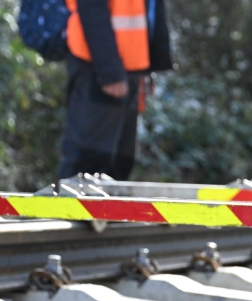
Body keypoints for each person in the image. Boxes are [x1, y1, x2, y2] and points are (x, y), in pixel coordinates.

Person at [58, 0, 172, 181]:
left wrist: (149, 68)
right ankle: (61, 210)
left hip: (127, 70)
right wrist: (110, 73)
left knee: (120, 164)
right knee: (86, 165)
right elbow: (92, 9)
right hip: (98, 68)